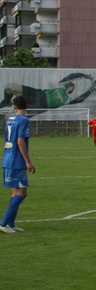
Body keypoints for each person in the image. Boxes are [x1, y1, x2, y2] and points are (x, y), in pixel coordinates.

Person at [1, 94, 35, 233]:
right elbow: (20, 142)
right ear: (26, 106)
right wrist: (28, 162)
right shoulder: (24, 120)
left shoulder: (10, 119)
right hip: (17, 160)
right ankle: (3, 223)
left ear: (14, 107)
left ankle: (10, 223)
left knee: (15, 192)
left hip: (7, 158)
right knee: (22, 192)